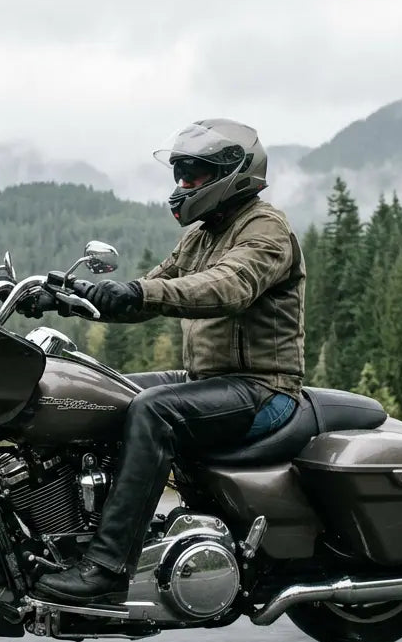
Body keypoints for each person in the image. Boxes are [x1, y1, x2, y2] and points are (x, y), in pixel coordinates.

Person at [32, 118, 306, 605]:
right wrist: (68, 296)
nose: (182, 186)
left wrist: (137, 291)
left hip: (263, 388)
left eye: (194, 176)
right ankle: (79, 533)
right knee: (95, 390)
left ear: (231, 174)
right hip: (208, 379)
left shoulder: (266, 230)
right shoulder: (201, 236)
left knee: (153, 410)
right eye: (179, 175)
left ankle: (108, 566)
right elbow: (148, 293)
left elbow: (227, 286)